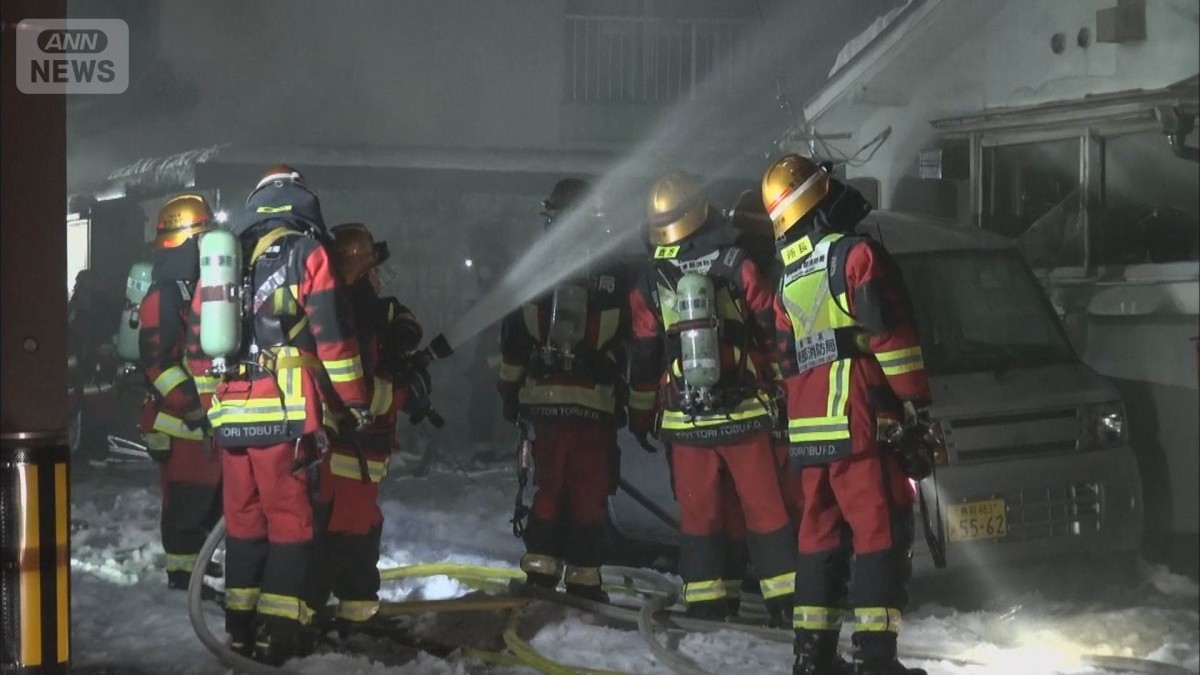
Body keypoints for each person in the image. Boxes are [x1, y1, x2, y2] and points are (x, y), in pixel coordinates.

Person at [761, 155, 932, 675]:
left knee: (818, 542)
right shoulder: (856, 256)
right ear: (820, 195)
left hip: (811, 432)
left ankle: (812, 659)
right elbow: (891, 337)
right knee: (880, 536)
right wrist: (915, 403)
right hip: (861, 426)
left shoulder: (789, 277)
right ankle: (876, 662)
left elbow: (784, 358)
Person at [205, 166, 371, 664]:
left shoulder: (226, 256)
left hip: (229, 414)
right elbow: (333, 336)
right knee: (291, 520)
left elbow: (199, 343)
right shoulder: (306, 252)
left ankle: (239, 629)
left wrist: (211, 407)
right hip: (283, 413)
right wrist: (354, 399)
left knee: (242, 521)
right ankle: (277, 634)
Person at [626, 170, 796, 625]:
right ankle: (785, 603)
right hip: (745, 415)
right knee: (763, 508)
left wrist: (642, 418)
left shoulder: (651, 279)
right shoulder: (739, 262)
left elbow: (644, 359)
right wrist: (784, 394)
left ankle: (707, 605)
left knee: (700, 517)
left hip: (686, 423)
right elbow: (771, 330)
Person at [497, 178, 628, 601]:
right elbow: (635, 338)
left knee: (548, 487)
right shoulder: (616, 270)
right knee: (590, 490)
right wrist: (633, 399)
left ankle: (540, 573)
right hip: (597, 404)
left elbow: (514, 340)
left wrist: (509, 392)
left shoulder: (535, 267)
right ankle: (585, 580)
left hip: (545, 402)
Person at [312, 222, 428, 635]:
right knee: (351, 533)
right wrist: (405, 391)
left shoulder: (360, 308)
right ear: (359, 271)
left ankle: (334, 611)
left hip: (354, 454)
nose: (381, 277)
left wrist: (403, 331)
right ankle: (347, 617)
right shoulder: (349, 319)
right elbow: (359, 396)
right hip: (349, 453)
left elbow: (397, 317)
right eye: (374, 269)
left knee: (352, 528)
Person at [135, 194, 223, 590]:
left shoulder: (193, 289)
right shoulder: (163, 296)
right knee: (187, 501)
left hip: (203, 421)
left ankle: (198, 565)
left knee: (209, 500)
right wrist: (191, 406)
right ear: (187, 239)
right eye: (201, 236)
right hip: (181, 424)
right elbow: (157, 364)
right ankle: (183, 574)